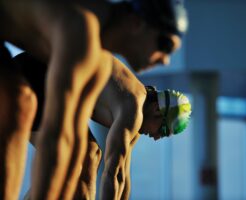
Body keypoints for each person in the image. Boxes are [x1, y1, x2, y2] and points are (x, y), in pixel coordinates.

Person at [0, 0, 188, 198]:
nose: (165, 60)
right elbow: (56, 138)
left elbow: (114, 171)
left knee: (87, 153)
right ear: (136, 24)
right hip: (32, 69)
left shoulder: (100, 65)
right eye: (165, 45)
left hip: (31, 65)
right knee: (20, 103)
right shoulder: (82, 31)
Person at [13, 51, 192, 199]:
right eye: (163, 130)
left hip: (47, 80)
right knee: (82, 157)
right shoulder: (133, 107)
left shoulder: (136, 117)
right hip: (33, 74)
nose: (156, 137)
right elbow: (111, 173)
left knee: (89, 155)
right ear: (157, 111)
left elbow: (122, 177)